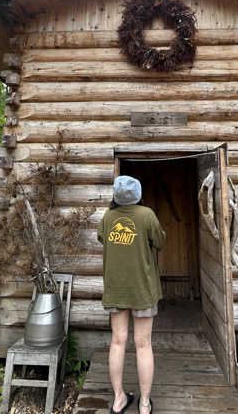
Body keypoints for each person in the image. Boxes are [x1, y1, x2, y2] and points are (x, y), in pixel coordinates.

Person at [97, 175, 166, 414]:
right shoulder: (146, 215)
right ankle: (144, 404)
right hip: (142, 288)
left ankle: (118, 400)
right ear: (137, 194)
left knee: (117, 341)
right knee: (143, 344)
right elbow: (160, 242)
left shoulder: (107, 217)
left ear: (116, 195)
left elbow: (101, 238)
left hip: (116, 287)